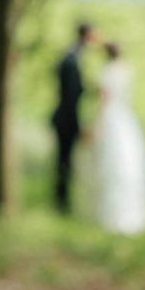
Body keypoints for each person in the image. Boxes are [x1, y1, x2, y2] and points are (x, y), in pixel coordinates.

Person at [93, 42, 145, 234]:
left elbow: (103, 101)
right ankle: (130, 215)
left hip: (111, 119)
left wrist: (96, 126)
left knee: (111, 164)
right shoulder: (127, 71)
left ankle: (112, 217)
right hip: (126, 118)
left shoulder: (107, 72)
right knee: (128, 164)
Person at [51, 22, 97, 213]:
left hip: (64, 117)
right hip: (66, 119)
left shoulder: (71, 56)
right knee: (64, 160)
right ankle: (62, 202)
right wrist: (77, 126)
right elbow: (71, 95)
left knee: (64, 160)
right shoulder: (71, 59)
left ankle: (62, 200)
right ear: (87, 36)